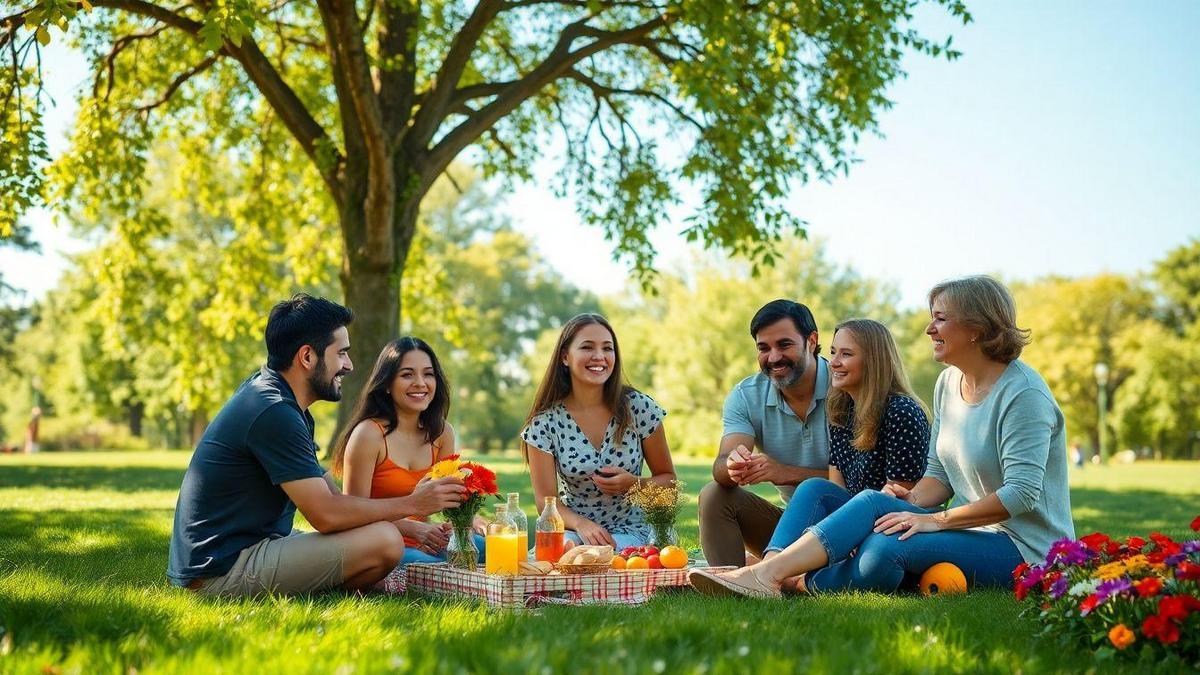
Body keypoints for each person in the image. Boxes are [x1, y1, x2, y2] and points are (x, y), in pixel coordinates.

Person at [690, 276, 1074, 597]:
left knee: (883, 550)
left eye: (940, 318)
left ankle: (786, 579)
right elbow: (938, 474)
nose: (929, 329)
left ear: (976, 327)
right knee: (873, 500)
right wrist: (910, 500)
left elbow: (1022, 495)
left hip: (1024, 548)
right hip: (971, 530)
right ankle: (770, 573)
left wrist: (935, 521)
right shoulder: (949, 383)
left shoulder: (1023, 395)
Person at [167, 295, 467, 597]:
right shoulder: (274, 411)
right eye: (342, 354)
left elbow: (333, 498)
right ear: (308, 357)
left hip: (249, 549)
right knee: (384, 541)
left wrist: (415, 528)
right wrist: (413, 504)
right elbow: (327, 516)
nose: (348, 365)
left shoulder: (282, 402)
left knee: (378, 536)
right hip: (222, 570)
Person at [760, 319, 929, 559]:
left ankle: (768, 570)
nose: (834, 362)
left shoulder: (901, 412)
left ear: (873, 362)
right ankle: (771, 564)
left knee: (814, 489)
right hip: (852, 522)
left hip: (892, 528)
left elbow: (896, 501)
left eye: (846, 354)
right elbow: (835, 489)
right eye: (832, 352)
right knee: (816, 489)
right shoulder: (843, 410)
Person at [520, 313, 676, 548]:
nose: (599, 357)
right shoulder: (544, 423)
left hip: (634, 530)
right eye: (587, 347)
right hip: (574, 529)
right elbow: (546, 503)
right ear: (565, 357)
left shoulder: (639, 408)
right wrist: (582, 524)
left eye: (607, 348)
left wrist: (634, 483)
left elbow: (670, 482)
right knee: (562, 551)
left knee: (600, 557)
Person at [698, 300, 832, 567]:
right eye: (763, 348)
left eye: (784, 345)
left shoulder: (845, 386)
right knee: (714, 494)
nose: (773, 357)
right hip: (793, 529)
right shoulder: (746, 396)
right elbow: (721, 466)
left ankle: (777, 570)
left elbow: (867, 481)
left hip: (857, 523)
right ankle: (734, 584)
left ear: (812, 340)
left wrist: (785, 472)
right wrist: (733, 466)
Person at [332, 336, 484, 564]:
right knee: (431, 568)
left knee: (489, 548)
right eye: (407, 375)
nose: (420, 383)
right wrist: (413, 529)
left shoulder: (442, 433)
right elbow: (353, 516)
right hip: (379, 544)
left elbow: (450, 499)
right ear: (386, 384)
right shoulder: (368, 435)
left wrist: (466, 522)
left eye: (428, 374)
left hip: (426, 542)